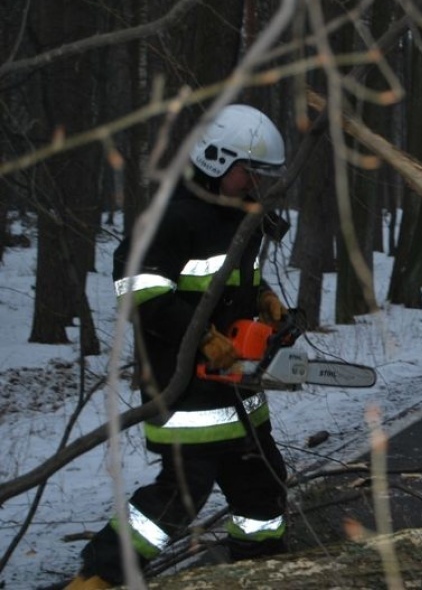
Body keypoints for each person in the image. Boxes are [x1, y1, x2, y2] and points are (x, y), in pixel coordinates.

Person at [66, 104, 291, 589]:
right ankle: (100, 575)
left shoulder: (240, 217)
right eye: (247, 172)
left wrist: (266, 299)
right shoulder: (172, 216)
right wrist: (204, 340)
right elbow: (139, 291)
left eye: (261, 174)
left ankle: (262, 567)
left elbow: (235, 282)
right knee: (181, 496)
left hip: (239, 388)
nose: (254, 182)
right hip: (184, 382)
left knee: (264, 482)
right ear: (214, 159)